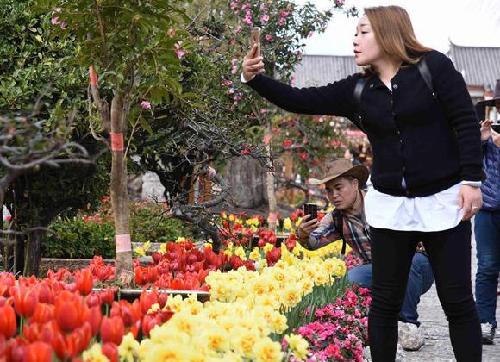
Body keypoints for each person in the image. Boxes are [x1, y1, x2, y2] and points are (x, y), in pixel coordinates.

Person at [241, 5, 483, 361]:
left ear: (388, 33)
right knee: (384, 304)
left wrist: (471, 181)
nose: (355, 41)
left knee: (458, 302)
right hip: (390, 206)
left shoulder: (434, 68)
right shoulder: (357, 90)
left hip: (443, 201)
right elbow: (300, 99)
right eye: (355, 34)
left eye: (363, 32)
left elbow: (465, 121)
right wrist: (255, 79)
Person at [297, 159, 434, 351]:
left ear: (355, 184)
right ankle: (372, 320)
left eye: (338, 188)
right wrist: (303, 233)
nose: (334, 195)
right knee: (351, 279)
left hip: (415, 266)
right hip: (378, 271)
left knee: (411, 261)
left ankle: (407, 325)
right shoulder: (336, 218)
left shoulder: (382, 201)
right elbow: (314, 241)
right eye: (329, 191)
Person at [474, 82, 500, 345]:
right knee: (488, 267)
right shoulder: (484, 138)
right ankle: (485, 321)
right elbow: (467, 160)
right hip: (488, 211)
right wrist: (482, 140)